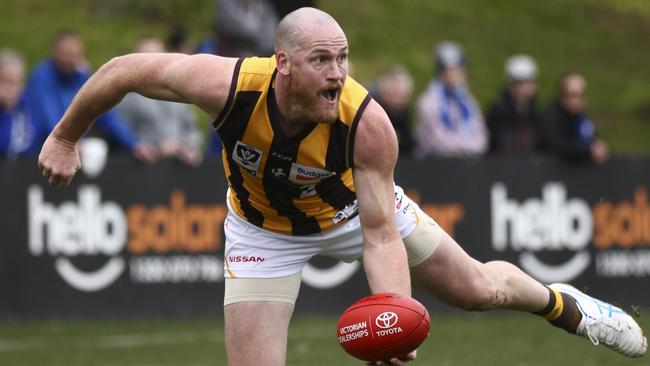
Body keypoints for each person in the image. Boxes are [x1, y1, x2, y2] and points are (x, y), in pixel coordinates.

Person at [37, 8, 646, 365]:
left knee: (477, 290)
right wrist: (66, 136)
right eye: (323, 61)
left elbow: (380, 237)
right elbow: (121, 72)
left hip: (355, 214)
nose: (338, 75)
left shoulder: (368, 124)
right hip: (262, 230)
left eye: (344, 59)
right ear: (283, 64)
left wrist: (397, 320)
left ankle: (567, 305)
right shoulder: (224, 85)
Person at [25, 30, 155, 161]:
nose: (70, 60)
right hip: (41, 151)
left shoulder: (82, 75)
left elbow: (105, 112)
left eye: (75, 54)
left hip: (73, 147)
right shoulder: (41, 77)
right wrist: (67, 141)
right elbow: (48, 115)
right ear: (54, 53)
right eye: (66, 54)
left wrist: (133, 144)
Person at [116, 36, 203, 166]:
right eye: (147, 57)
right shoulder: (127, 96)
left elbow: (191, 127)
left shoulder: (177, 91)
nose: (153, 63)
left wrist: (189, 146)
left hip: (179, 167)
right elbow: (121, 133)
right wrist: (157, 148)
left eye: (158, 56)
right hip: (144, 168)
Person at [414, 41, 488, 158]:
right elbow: (437, 142)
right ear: (440, 71)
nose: (453, 73)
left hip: (465, 162)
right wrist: (466, 146)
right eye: (448, 69)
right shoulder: (429, 101)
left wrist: (465, 148)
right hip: (434, 164)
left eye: (457, 68)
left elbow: (482, 138)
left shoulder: (467, 101)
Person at [542, 73, 609, 163]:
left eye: (581, 96)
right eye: (572, 95)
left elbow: (589, 135)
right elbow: (556, 145)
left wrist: (597, 144)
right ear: (561, 95)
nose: (576, 101)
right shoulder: (550, 115)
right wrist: (587, 150)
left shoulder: (580, 116)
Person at [486, 54, 544, 155]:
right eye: (517, 83)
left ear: (534, 85)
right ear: (509, 85)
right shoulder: (497, 113)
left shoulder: (539, 115)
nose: (521, 88)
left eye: (526, 82)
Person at [0, 49, 48, 158]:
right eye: (6, 81)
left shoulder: (29, 104)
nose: (11, 88)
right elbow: (5, 145)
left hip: (26, 169)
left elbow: (37, 140)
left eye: (16, 81)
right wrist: (6, 111)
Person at [370, 66, 415, 156]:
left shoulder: (404, 112)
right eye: (393, 95)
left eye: (401, 96)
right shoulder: (373, 109)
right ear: (384, 92)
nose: (396, 101)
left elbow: (408, 141)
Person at [214, 0, 279, 57]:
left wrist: (265, 44)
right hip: (234, 57)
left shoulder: (263, 6)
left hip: (262, 54)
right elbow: (231, 29)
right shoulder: (227, 4)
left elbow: (273, 30)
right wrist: (260, 38)